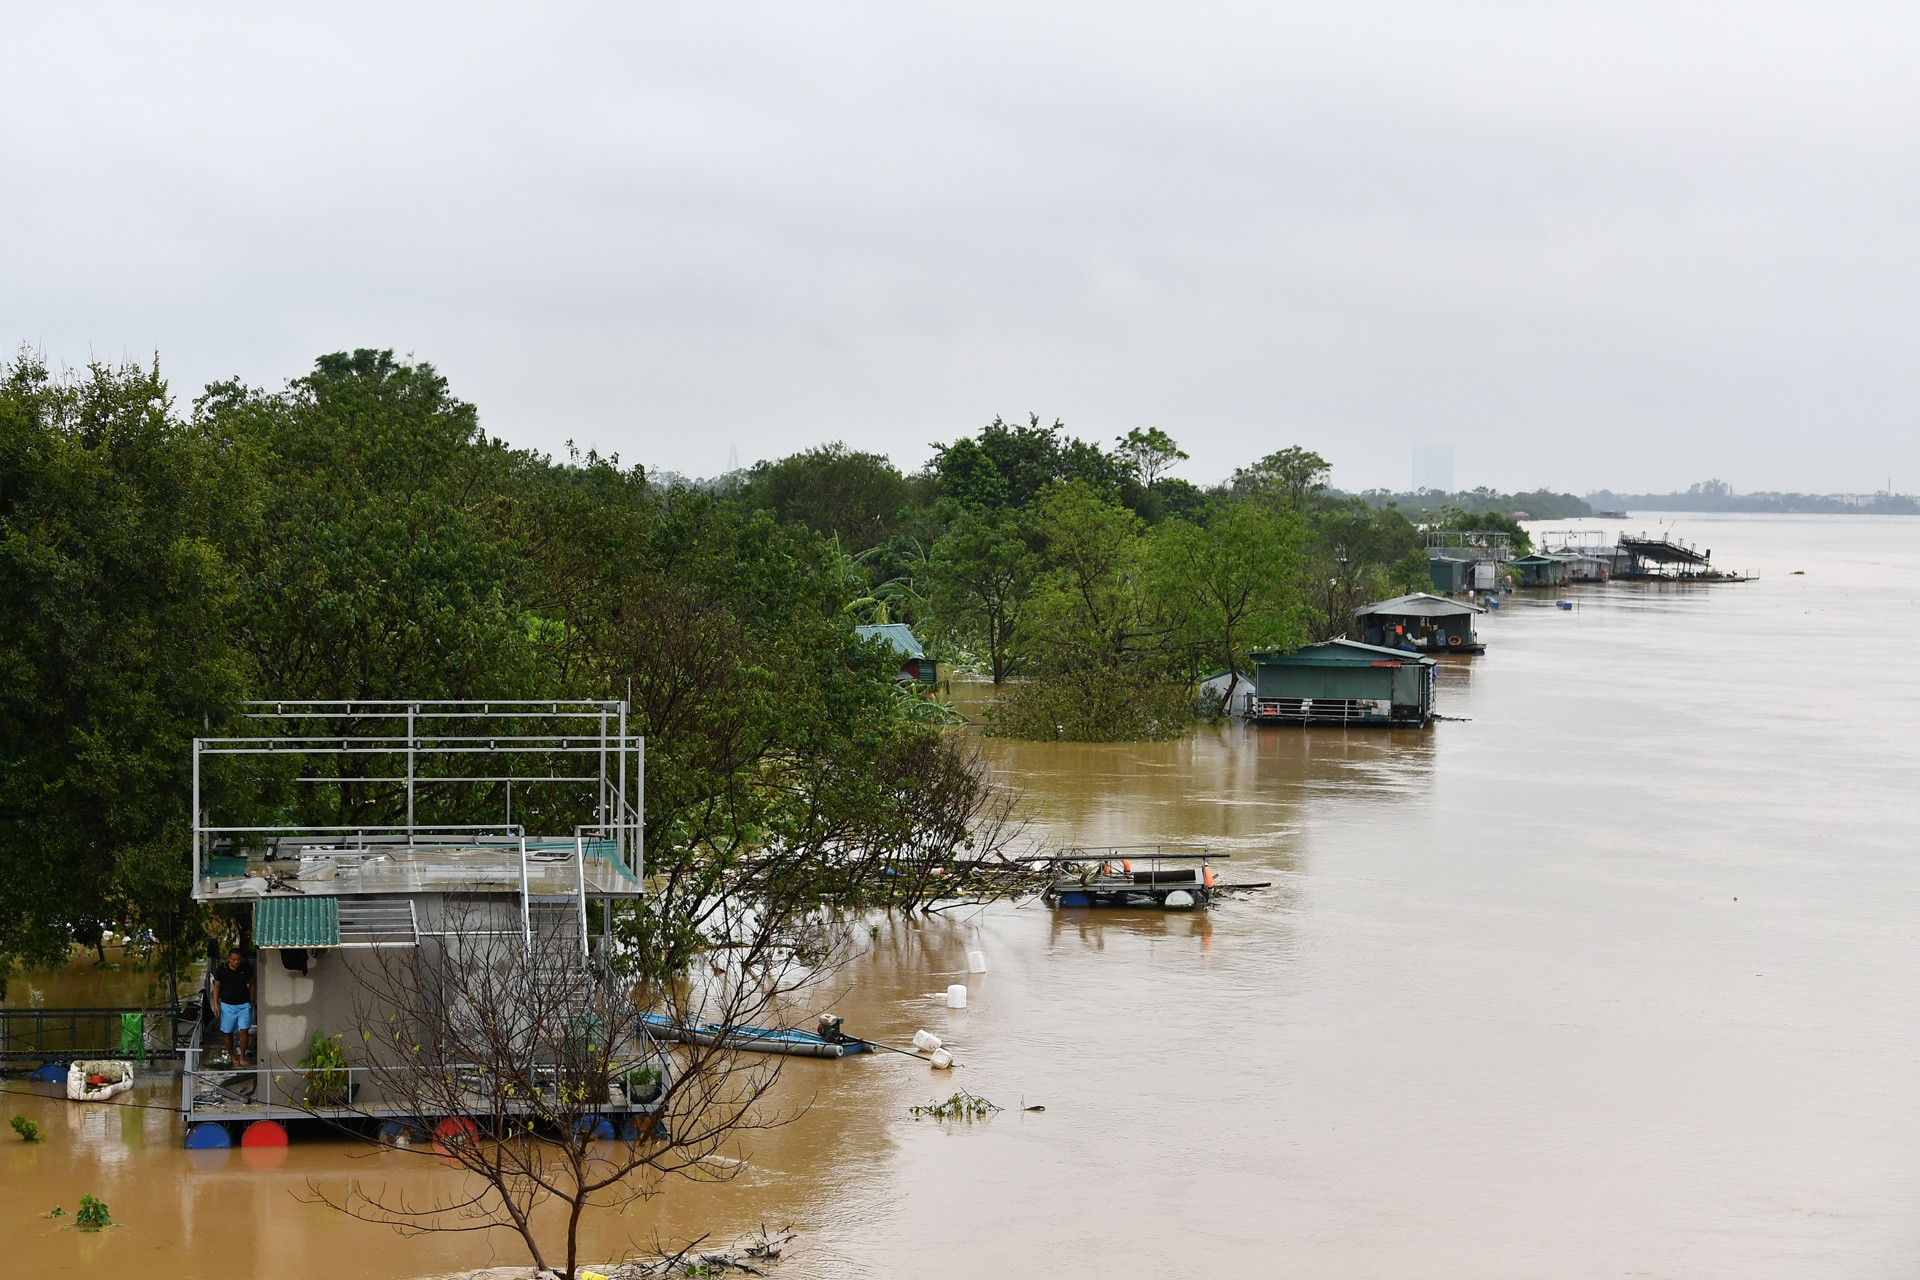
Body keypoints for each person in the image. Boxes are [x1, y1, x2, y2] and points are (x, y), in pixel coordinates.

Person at [212, 947, 255, 1066]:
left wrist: (251, 1000)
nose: (236, 962)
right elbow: (216, 987)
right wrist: (216, 1004)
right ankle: (232, 1057)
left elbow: (251, 984)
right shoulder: (221, 970)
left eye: (238, 960)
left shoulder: (246, 968)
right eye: (234, 960)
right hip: (227, 1005)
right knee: (228, 1032)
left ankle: (242, 1055)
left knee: (244, 1030)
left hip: (243, 1004)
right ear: (229, 959)